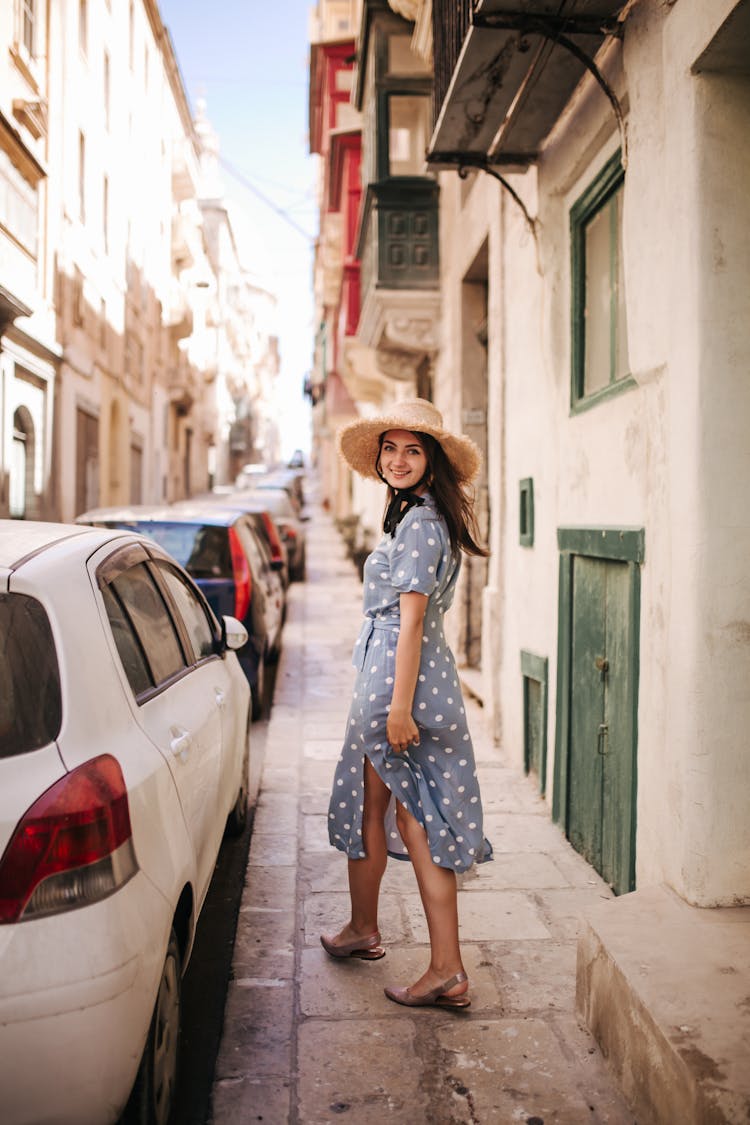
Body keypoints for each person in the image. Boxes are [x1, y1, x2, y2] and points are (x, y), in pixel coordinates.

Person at [321, 399, 492, 1010]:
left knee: (414, 817)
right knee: (380, 803)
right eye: (389, 448)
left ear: (432, 459)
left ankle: (446, 966)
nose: (397, 459)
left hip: (403, 677)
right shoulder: (415, 514)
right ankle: (364, 928)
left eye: (412, 450)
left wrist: (398, 709)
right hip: (400, 670)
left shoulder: (420, 524)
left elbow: (413, 622)